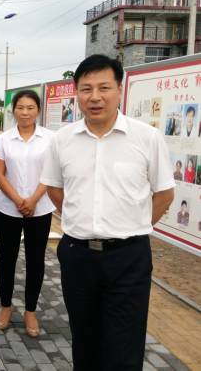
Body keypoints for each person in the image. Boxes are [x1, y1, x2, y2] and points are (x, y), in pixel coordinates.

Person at [40, 54, 175, 371]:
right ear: (77, 92)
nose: (95, 97)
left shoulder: (147, 138)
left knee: (124, 349)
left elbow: (165, 193)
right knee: (84, 342)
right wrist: (80, 220)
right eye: (86, 89)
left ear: (119, 88)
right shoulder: (62, 140)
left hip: (129, 258)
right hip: (78, 255)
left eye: (104, 87)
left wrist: (134, 224)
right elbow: (55, 190)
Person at [0, 89, 55, 336]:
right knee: (6, 260)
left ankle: (30, 311)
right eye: (21, 107)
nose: (25, 112)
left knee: (35, 261)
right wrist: (19, 200)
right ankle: (5, 307)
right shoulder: (5, 139)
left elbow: (51, 173)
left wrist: (34, 199)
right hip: (8, 209)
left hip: (40, 209)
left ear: (38, 110)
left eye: (30, 107)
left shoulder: (50, 138)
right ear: (13, 110)